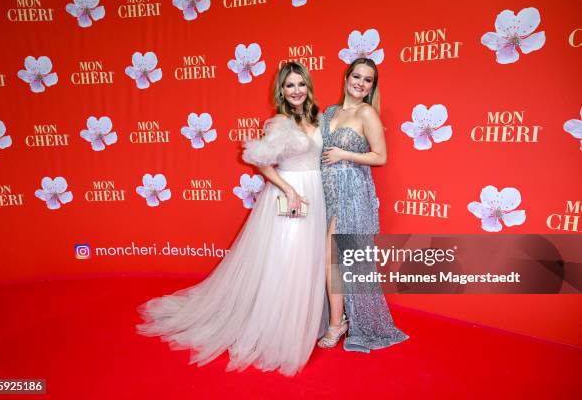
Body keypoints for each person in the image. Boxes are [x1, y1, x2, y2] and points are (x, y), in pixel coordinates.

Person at [137, 62, 327, 376]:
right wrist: (289, 189)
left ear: (308, 87)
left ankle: (303, 322)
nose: (296, 91)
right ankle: (276, 331)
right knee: (286, 261)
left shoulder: (318, 119)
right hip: (289, 196)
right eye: (289, 85)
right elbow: (260, 161)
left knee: (308, 260)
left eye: (301, 84)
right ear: (281, 90)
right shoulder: (278, 122)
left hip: (316, 195)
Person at [318, 57, 408, 352]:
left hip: (352, 194)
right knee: (328, 260)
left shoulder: (367, 112)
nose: (360, 83)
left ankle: (337, 324)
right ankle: (337, 317)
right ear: (346, 77)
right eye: (356, 76)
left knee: (336, 261)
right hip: (325, 192)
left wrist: (345, 154)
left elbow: (380, 157)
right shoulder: (329, 112)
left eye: (367, 80)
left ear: (372, 86)